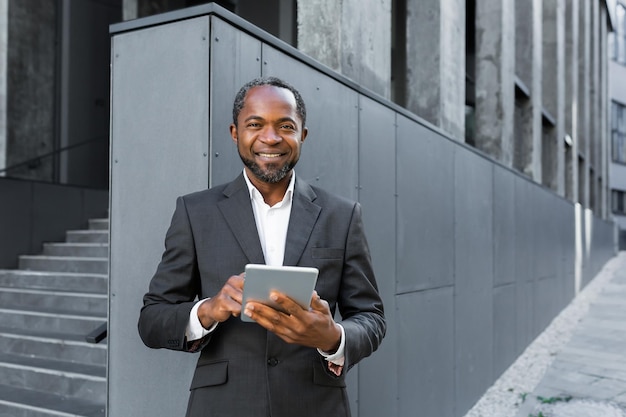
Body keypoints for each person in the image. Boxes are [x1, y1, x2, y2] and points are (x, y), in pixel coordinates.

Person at [138, 76, 385, 417]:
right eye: (255, 124)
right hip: (223, 406)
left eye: (285, 125)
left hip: (315, 405)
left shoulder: (342, 215)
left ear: (303, 135)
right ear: (235, 133)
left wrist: (333, 338)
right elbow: (152, 320)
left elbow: (371, 316)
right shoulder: (195, 212)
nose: (270, 137)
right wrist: (208, 310)